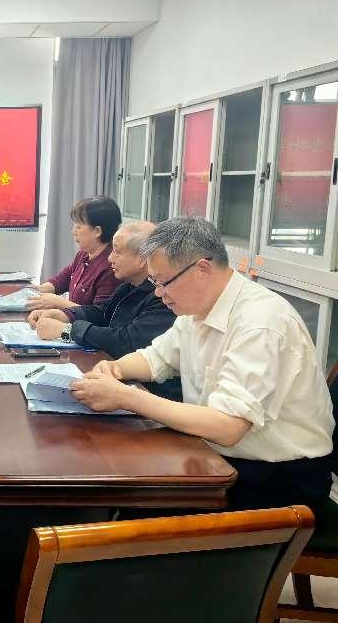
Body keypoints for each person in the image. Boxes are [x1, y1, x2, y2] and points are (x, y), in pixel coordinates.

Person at [70, 217, 334, 511]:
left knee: (133, 500)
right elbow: (157, 357)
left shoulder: (261, 323)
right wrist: (116, 369)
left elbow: (227, 426)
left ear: (202, 269)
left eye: (163, 282)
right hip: (217, 456)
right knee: (122, 475)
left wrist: (127, 397)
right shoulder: (197, 309)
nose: (158, 292)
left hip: (278, 481)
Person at [27, 221, 182, 401]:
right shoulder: (129, 285)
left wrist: (67, 331)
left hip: (150, 394)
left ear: (142, 259)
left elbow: (127, 342)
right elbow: (103, 312)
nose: (110, 258)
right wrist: (65, 315)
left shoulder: (163, 297)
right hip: (119, 380)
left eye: (117, 252)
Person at [26, 196, 122, 311]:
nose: (73, 232)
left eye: (79, 227)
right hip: (72, 319)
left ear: (97, 231)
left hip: (82, 322)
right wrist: (35, 291)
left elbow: (99, 314)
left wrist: (58, 302)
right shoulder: (83, 254)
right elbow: (62, 280)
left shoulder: (111, 267)